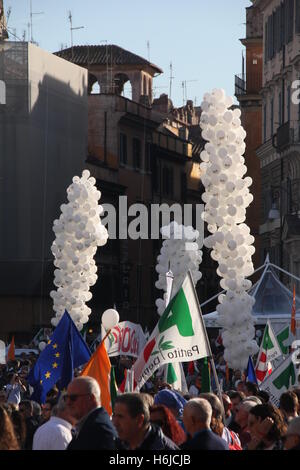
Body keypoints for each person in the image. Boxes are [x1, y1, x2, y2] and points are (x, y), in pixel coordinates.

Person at [113, 393, 178, 450]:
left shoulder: (165, 448)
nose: (115, 423)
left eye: (120, 417)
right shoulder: (115, 445)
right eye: (114, 416)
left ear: (139, 420)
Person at [66, 376, 117, 450]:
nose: (68, 402)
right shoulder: (90, 425)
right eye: (66, 398)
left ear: (91, 398)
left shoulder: (98, 430)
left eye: (73, 398)